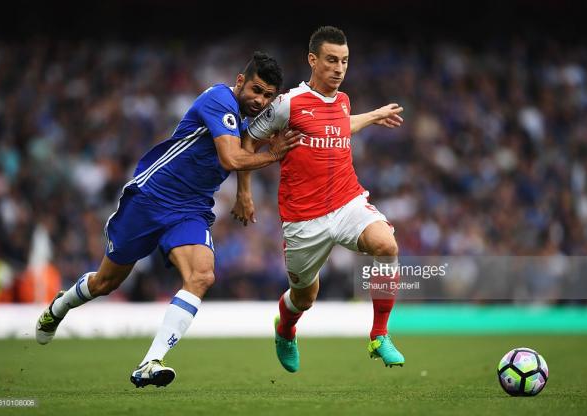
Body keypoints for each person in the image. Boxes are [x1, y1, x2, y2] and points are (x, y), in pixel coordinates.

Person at [35, 52, 301, 387]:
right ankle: (60, 306)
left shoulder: (247, 119)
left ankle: (150, 361)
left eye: (267, 96)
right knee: (106, 282)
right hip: (149, 198)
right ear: (240, 81)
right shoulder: (218, 99)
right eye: (256, 90)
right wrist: (275, 155)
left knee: (202, 276)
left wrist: (243, 193)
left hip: (190, 209)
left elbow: (244, 147)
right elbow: (233, 157)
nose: (260, 100)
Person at [233, 27, 405, 373]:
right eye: (331, 60)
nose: (339, 68)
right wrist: (245, 193)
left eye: (344, 61)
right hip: (303, 219)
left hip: (347, 202)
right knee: (304, 297)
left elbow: (340, 125)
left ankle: (379, 334)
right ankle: (285, 329)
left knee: (386, 245)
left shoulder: (343, 102)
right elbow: (247, 142)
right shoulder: (287, 104)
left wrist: (372, 116)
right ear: (313, 60)